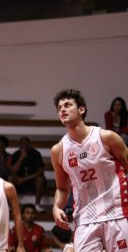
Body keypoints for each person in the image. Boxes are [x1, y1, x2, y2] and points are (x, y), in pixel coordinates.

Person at [50, 89, 128, 252]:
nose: (62, 110)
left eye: (67, 105)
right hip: (85, 219)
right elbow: (62, 189)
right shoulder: (58, 151)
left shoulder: (107, 137)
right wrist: (56, 207)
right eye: (59, 108)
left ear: (81, 109)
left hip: (117, 214)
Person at [9, 136, 46, 212]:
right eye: (22, 143)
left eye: (26, 143)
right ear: (19, 145)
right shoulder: (16, 154)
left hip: (32, 181)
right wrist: (21, 158)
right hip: (19, 182)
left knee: (40, 179)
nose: (24, 145)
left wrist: (24, 179)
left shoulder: (36, 154)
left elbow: (40, 171)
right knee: (10, 179)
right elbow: (12, 171)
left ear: (30, 144)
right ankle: (12, 205)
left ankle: (37, 205)